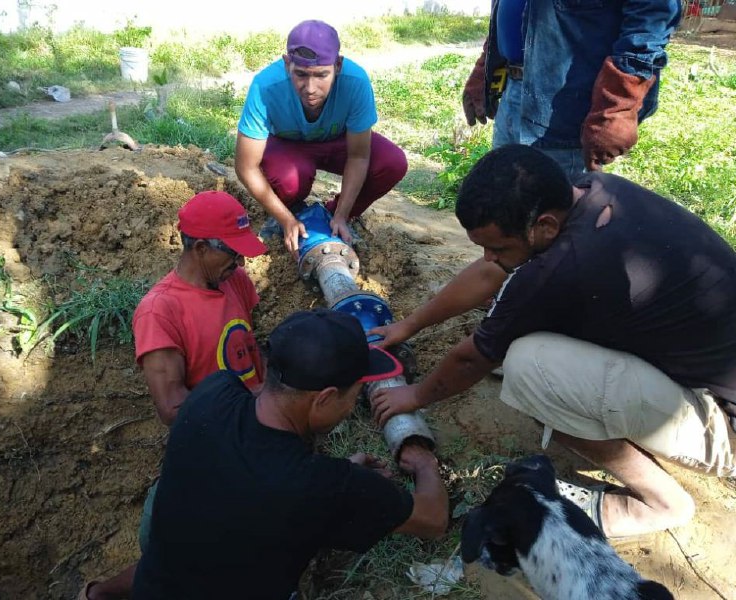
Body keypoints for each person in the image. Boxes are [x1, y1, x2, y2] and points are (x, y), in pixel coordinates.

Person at [369, 145, 736, 538]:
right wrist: (408, 326)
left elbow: (469, 360)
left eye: (498, 247)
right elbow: (489, 274)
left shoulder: (561, 267)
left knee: (530, 367)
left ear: (544, 226)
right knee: (521, 326)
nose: (489, 258)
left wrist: (415, 396)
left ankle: (658, 503)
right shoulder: (594, 191)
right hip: (707, 369)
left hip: (722, 420)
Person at [132, 309, 448, 599]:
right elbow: (433, 519)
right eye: (353, 396)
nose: (352, 408)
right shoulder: (322, 486)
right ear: (323, 398)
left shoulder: (213, 392)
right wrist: (424, 462)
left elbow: (258, 480)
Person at [79, 190, 267, 600]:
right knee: (180, 558)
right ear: (199, 248)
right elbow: (172, 407)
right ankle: (99, 595)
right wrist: (257, 412)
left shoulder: (235, 282)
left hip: (253, 436)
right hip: (209, 448)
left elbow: (249, 351)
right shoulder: (160, 311)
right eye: (232, 253)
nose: (241, 262)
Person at [235, 19, 408, 256]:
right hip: (288, 147)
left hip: (338, 142)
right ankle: (290, 212)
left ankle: (333, 217)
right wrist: (285, 219)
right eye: (301, 74)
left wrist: (342, 214)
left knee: (392, 163)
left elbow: (358, 156)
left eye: (321, 75)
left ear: (338, 65)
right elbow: (246, 167)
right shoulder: (265, 87)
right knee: (291, 181)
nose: (310, 87)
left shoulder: (355, 82)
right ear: (287, 65)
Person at [461, 0, 682, 180]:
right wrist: (485, 67)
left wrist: (618, 106)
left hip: (564, 108)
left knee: (554, 222)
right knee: (505, 208)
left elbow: (651, 21)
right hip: (513, 92)